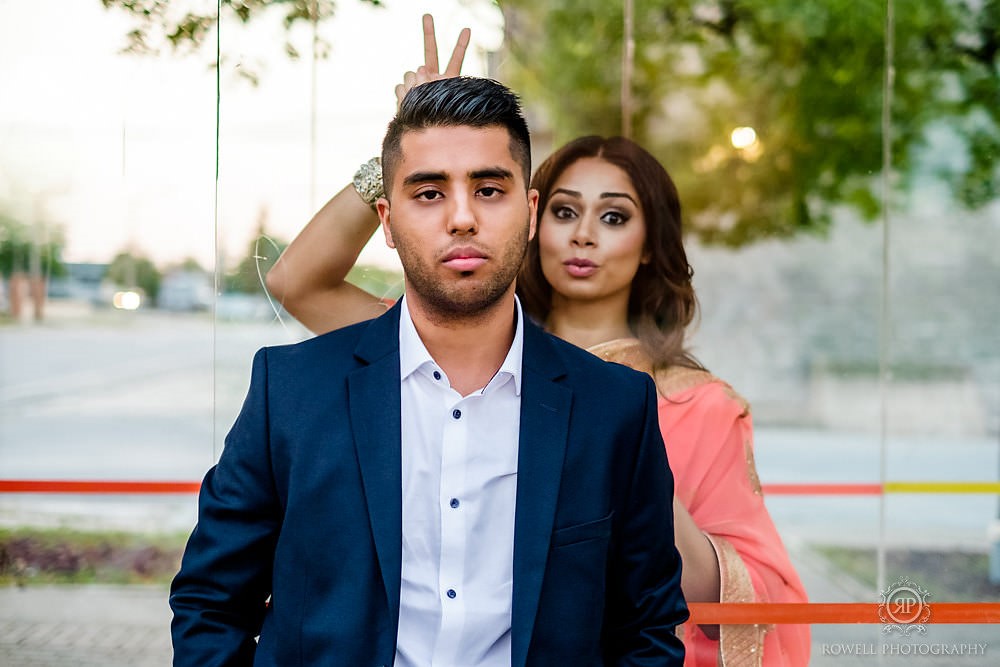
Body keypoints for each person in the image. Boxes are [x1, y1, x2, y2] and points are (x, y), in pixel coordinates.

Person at [265, 16, 810, 666]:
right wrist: (412, 145)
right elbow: (297, 281)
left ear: (646, 248)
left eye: (613, 216)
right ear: (528, 222)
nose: (583, 234)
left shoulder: (699, 407)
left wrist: (619, 450)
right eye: (563, 210)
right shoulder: (452, 350)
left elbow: (740, 593)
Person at [171, 75, 689, 665]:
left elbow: (645, 627)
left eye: (490, 190)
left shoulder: (614, 405)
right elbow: (211, 603)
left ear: (531, 211)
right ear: (386, 222)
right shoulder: (290, 390)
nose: (463, 217)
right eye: (429, 193)